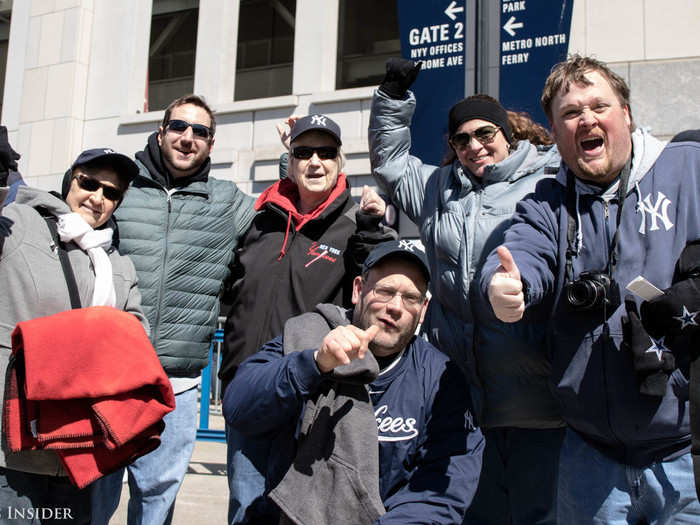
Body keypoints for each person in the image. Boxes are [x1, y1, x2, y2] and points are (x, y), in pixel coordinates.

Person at [482, 54, 700, 523]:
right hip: (589, 456)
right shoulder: (545, 202)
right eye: (570, 113)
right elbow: (521, 253)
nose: (586, 119)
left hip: (686, 451)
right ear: (556, 134)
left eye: (598, 105)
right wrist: (505, 284)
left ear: (626, 113)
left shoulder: (689, 171)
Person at [368, 58, 565, 524]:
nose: (474, 146)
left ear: (506, 134)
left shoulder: (547, 178)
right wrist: (392, 98)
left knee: (539, 512)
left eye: (485, 135)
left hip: (532, 393)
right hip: (459, 396)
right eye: (462, 139)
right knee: (470, 512)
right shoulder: (438, 188)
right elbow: (390, 162)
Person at [224, 240, 484, 524]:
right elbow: (239, 407)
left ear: (423, 308)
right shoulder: (307, 337)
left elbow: (441, 489)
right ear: (358, 290)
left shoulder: (440, 379)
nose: (395, 307)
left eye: (410, 298)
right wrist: (314, 364)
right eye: (385, 291)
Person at [220, 113, 395, 523]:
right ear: (291, 162)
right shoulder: (260, 220)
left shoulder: (353, 225)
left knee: (304, 512)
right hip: (252, 388)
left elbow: (377, 278)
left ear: (340, 163)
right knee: (247, 508)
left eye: (326, 153)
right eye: (303, 153)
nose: (315, 162)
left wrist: (373, 229)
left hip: (310, 394)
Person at [90, 94, 256, 525]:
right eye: (179, 127)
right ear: (161, 132)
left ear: (211, 144)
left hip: (176, 387)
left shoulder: (227, 202)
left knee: (156, 501)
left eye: (200, 132)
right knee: (91, 499)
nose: (188, 138)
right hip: (107, 378)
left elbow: (277, 228)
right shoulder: (120, 187)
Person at [0, 148, 145, 523]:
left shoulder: (118, 264)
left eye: (111, 193)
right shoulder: (19, 223)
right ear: (71, 180)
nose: (98, 198)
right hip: (13, 447)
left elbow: (138, 335)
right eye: (89, 183)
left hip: (79, 451)